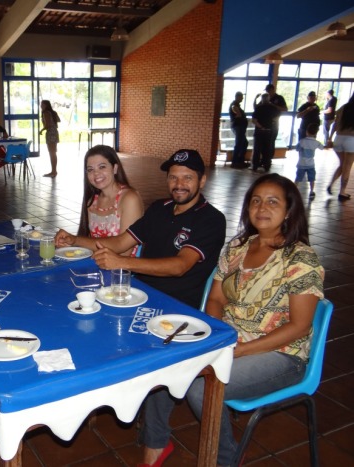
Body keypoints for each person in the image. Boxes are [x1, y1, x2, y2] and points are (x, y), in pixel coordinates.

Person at [139, 173, 324, 467]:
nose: (262, 208)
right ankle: (156, 444)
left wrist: (241, 349)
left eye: (272, 202)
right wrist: (219, 336)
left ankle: (227, 458)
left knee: (202, 390)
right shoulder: (239, 247)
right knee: (163, 362)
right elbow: (215, 299)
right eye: (256, 201)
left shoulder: (300, 258)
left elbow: (299, 327)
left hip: (281, 354)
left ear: (289, 210)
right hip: (231, 340)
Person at [56, 149, 226, 309]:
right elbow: (121, 242)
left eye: (187, 178)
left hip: (176, 304)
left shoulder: (211, 219)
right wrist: (75, 240)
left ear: (202, 181)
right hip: (139, 292)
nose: (179, 184)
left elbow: (179, 266)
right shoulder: (159, 208)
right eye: (173, 177)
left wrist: (121, 262)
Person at [77, 145, 143, 256]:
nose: (96, 173)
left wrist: (77, 241)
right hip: (97, 261)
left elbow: (125, 252)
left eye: (102, 167)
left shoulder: (129, 199)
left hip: (124, 265)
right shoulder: (92, 202)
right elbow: (88, 241)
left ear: (115, 168)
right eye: (90, 169)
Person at [327, 93, 354, 200]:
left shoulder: (343, 108)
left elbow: (335, 124)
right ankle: (342, 192)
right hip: (351, 139)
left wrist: (330, 137)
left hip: (338, 138)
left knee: (342, 165)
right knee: (347, 167)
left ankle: (331, 184)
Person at [255, 84, 288, 162]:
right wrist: (255, 99)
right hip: (264, 123)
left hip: (273, 123)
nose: (267, 92)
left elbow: (285, 109)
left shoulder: (279, 98)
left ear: (272, 90)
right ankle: (262, 159)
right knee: (263, 142)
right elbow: (257, 108)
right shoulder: (265, 98)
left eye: (268, 91)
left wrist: (272, 105)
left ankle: (268, 159)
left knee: (271, 141)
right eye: (266, 91)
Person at [251, 93, 280, 172]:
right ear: (268, 98)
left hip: (259, 131)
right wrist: (271, 123)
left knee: (257, 149)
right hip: (269, 130)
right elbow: (277, 117)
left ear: (262, 99)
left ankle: (255, 165)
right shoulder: (273, 108)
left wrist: (260, 127)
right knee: (267, 149)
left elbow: (254, 120)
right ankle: (266, 165)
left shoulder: (258, 108)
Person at [295, 122, 323, 199]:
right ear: (316, 133)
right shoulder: (316, 143)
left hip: (301, 164)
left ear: (306, 132)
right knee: (312, 178)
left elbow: (297, 149)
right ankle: (311, 191)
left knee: (298, 177)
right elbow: (322, 147)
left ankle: (294, 189)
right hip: (311, 165)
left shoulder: (302, 141)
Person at [39, 100, 60, 178]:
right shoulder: (53, 112)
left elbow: (47, 125)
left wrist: (41, 130)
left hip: (50, 133)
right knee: (53, 152)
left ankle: (53, 171)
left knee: (52, 153)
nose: (41, 106)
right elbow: (58, 120)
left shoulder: (45, 113)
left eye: (42, 104)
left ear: (45, 105)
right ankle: (54, 171)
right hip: (55, 132)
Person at [228, 92, 249, 169]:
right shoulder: (234, 105)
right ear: (238, 97)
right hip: (238, 126)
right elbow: (237, 114)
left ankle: (240, 161)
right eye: (241, 97)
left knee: (244, 143)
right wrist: (239, 116)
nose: (242, 98)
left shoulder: (237, 105)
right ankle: (235, 162)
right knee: (239, 144)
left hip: (240, 127)